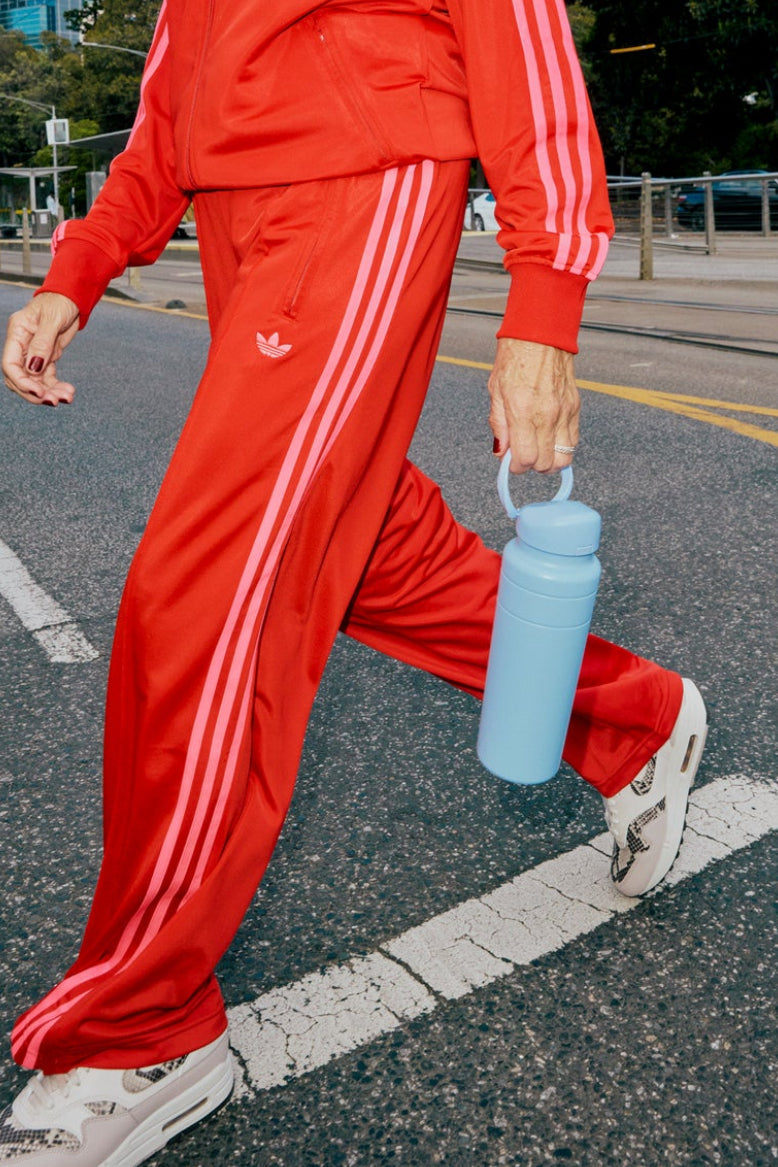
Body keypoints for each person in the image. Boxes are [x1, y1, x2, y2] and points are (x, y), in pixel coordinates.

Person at [0, 1, 708, 1163]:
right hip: (238, 214)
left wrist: (544, 307)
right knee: (371, 553)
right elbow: (167, 119)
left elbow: (521, 42)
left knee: (208, 596)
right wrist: (76, 271)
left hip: (362, 186)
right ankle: (635, 720)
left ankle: (145, 1029)